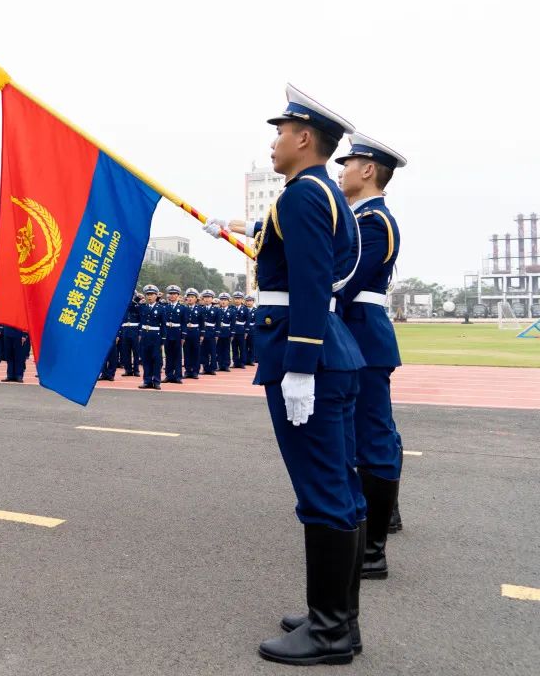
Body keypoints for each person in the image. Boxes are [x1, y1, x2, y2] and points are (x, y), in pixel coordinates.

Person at [204, 84, 365, 665]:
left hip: (309, 358)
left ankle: (329, 633)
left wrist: (298, 367)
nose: (273, 143)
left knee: (323, 494)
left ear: (304, 139)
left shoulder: (301, 195)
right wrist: (239, 232)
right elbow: (300, 258)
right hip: (333, 351)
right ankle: (338, 618)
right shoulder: (320, 194)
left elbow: (311, 281)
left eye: (279, 133)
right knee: (340, 488)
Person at [333, 133, 408, 580]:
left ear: (367, 170)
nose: (341, 171)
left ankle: (373, 552)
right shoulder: (360, 218)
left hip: (363, 337)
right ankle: (381, 519)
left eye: (348, 164)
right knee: (369, 436)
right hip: (357, 336)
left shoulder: (374, 222)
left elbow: (346, 279)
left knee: (374, 439)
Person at [137, 284, 166, 389]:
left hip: (156, 336)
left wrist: (163, 339)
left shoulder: (161, 308)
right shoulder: (142, 307)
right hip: (145, 335)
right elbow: (132, 308)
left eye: (152, 294)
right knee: (146, 359)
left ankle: (157, 381)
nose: (149, 297)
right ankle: (147, 380)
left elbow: (163, 325)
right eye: (147, 294)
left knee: (156, 359)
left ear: (156, 296)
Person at [162, 285, 186, 384]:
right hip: (167, 332)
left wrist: (183, 336)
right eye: (170, 294)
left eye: (174, 294)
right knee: (168, 355)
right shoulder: (165, 307)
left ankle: (178, 376)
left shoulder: (182, 308)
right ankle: (169, 375)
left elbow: (184, 323)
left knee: (177, 355)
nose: (172, 296)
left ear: (178, 295)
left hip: (177, 333)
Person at [118, 293, 142, 377]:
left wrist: (140, 332)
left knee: (136, 352)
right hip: (125, 330)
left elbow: (141, 319)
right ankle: (128, 370)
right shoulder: (122, 306)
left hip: (134, 331)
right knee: (125, 351)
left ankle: (136, 370)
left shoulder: (136, 306)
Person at [182, 288, 203, 379]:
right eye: (188, 297)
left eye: (192, 297)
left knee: (196, 352)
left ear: (196, 299)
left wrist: (202, 335)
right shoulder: (184, 309)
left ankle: (195, 371)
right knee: (186, 352)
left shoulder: (200, 309)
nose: (190, 299)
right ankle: (187, 370)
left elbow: (202, 323)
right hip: (186, 332)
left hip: (195, 332)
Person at [199, 290, 220, 375]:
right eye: (205, 297)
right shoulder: (200, 309)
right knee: (204, 351)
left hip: (211, 332)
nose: (207, 299)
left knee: (212, 351)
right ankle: (205, 367)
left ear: (212, 299)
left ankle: (212, 368)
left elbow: (218, 323)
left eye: (209, 297)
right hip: (203, 333)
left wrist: (217, 334)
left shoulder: (216, 310)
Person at [215, 292, 234, 372]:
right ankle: (220, 364)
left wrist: (232, 333)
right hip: (218, 332)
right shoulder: (217, 310)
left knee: (226, 349)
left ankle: (226, 365)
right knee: (219, 349)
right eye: (222, 299)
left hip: (227, 331)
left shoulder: (232, 311)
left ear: (228, 301)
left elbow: (232, 324)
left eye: (225, 300)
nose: (223, 301)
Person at [231, 291, 249, 369]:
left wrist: (246, 331)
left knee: (242, 348)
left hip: (241, 331)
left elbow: (247, 320)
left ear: (242, 300)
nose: (237, 300)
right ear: (233, 299)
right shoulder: (231, 308)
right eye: (236, 298)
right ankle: (235, 362)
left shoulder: (245, 309)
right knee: (234, 347)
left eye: (239, 299)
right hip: (233, 331)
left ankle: (242, 363)